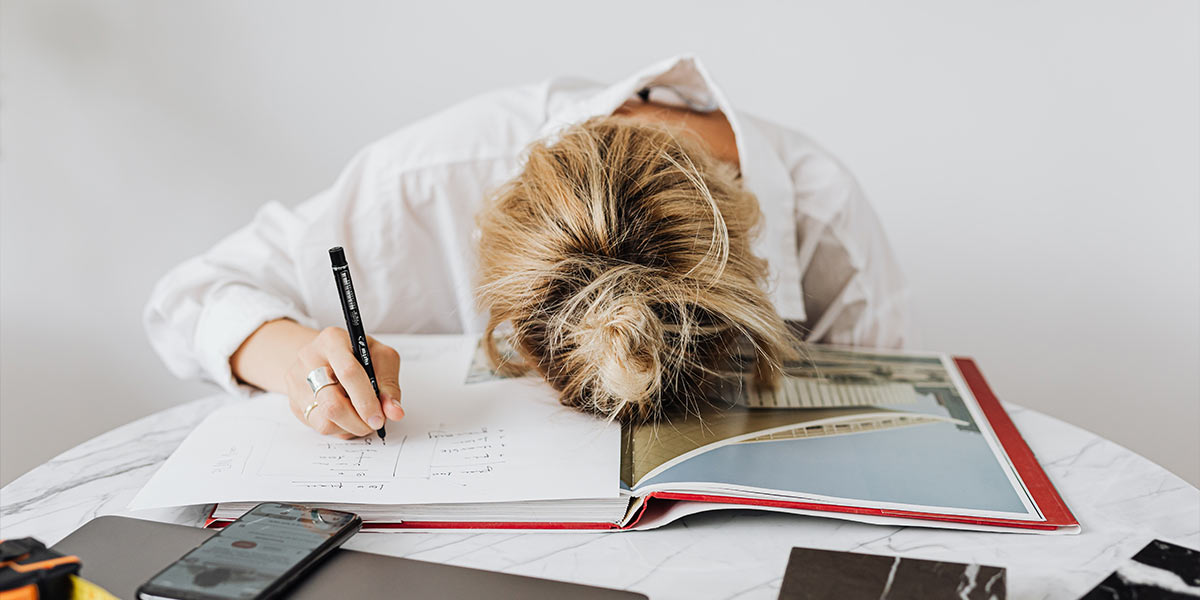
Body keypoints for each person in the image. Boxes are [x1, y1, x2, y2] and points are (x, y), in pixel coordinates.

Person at [144, 55, 911, 438]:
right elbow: (188, 297)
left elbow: (876, 431)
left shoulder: (826, 219)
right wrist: (295, 357)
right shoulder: (429, 178)